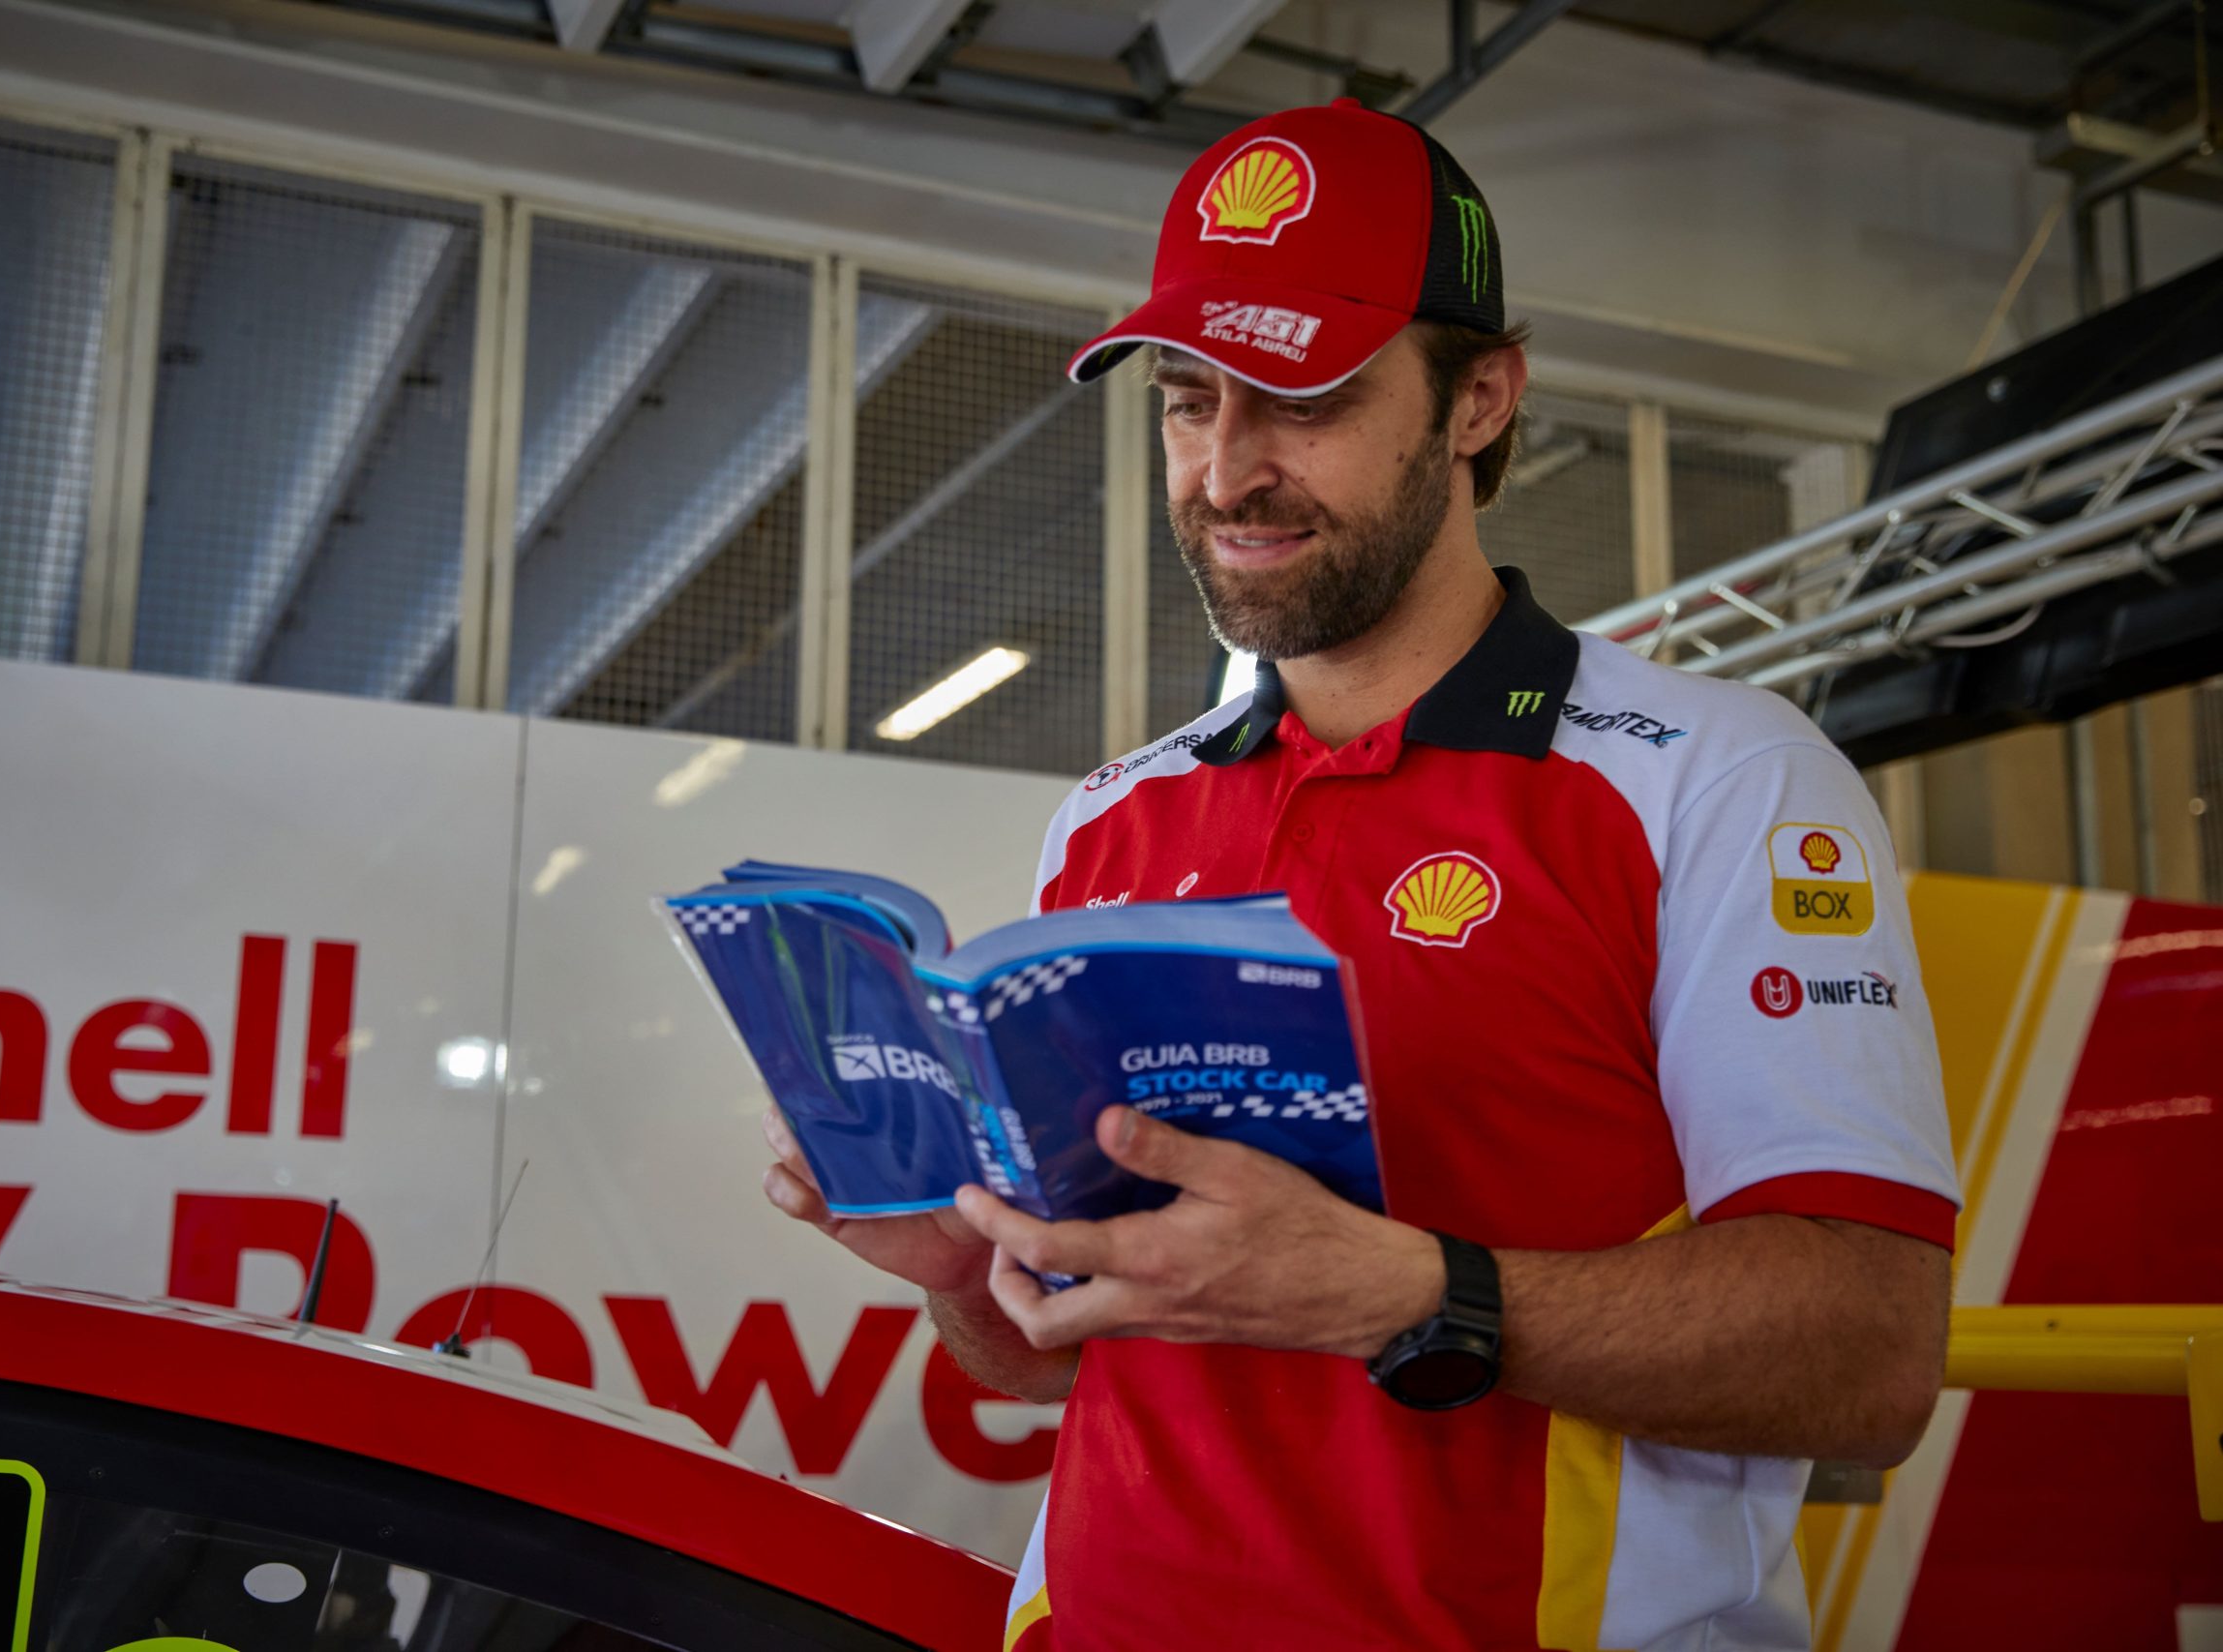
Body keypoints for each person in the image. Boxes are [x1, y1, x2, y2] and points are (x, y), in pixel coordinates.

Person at [762, 98, 1957, 1651]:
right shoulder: (1113, 818)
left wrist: (1397, 1293)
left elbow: (1869, 1358)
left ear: (1479, 401)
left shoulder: (1713, 778)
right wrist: (957, 1273)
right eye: (1191, 401)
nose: (1228, 469)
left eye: (1303, 398)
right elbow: (1059, 1357)